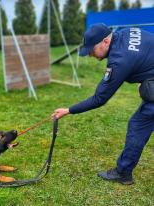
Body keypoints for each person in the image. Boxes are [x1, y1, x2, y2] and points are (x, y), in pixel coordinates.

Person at [52, 23, 154, 185]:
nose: (91, 54)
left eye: (92, 49)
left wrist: (68, 110)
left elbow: (100, 99)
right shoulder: (127, 32)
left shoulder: (119, 60)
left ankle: (123, 173)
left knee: (138, 125)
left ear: (106, 41)